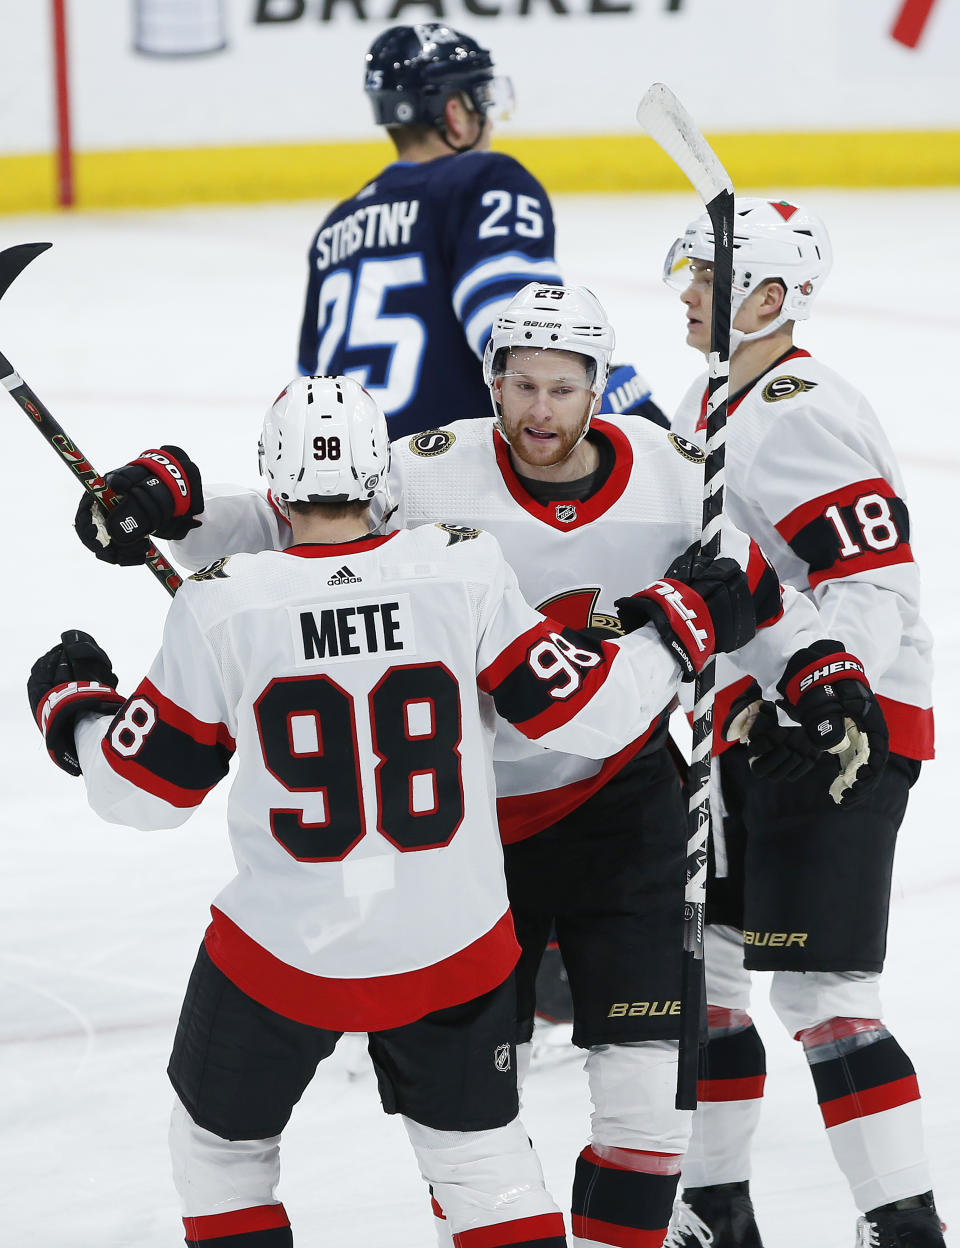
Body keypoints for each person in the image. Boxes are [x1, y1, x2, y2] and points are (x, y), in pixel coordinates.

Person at [72, 287, 889, 1248]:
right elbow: (286, 526)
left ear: (598, 388)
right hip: (479, 830)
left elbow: (746, 580)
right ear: (491, 385)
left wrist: (817, 664)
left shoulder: (673, 473)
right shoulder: (434, 486)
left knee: (646, 1102)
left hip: (613, 803)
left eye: (561, 388)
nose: (538, 411)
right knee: (479, 1140)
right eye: (519, 386)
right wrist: (178, 510)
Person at [663, 199, 941, 1247]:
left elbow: (875, 581)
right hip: (752, 727)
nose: (687, 292)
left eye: (707, 276)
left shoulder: (796, 405)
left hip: (833, 731)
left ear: (770, 298)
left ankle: (905, 1227)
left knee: (825, 993)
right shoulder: (710, 396)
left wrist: (833, 699)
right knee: (716, 972)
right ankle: (716, 1212)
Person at [296, 21, 666, 438]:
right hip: (451, 478)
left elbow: (309, 386)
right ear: (455, 113)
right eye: (481, 99)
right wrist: (647, 422)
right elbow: (531, 342)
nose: (488, 118)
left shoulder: (335, 228)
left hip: (355, 487)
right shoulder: (485, 180)